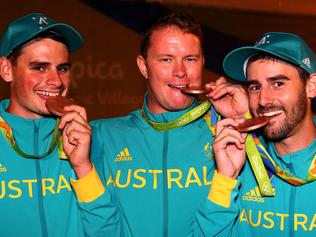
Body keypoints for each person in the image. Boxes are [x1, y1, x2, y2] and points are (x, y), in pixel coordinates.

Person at [72, 12, 248, 236]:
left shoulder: (227, 134)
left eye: (190, 59)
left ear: (203, 62)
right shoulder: (103, 135)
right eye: (166, 59)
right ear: (143, 66)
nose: (180, 72)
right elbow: (100, 228)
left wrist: (246, 118)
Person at [203, 32, 316, 236]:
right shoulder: (237, 160)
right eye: (255, 87)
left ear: (311, 86)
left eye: (278, 83)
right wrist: (225, 179)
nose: (263, 100)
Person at [0, 13, 101, 236]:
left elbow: (108, 231)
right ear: (7, 70)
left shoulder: (88, 139)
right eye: (40, 67)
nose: (56, 81)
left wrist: (83, 168)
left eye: (62, 68)